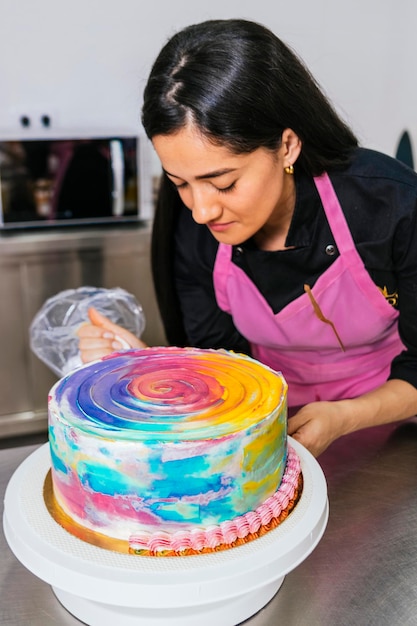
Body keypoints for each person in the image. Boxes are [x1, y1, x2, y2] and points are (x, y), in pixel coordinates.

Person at [78, 18, 417, 457]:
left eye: (223, 183)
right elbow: (220, 369)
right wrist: (154, 369)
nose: (201, 211)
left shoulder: (390, 206)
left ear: (288, 146)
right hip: (261, 425)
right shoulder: (191, 233)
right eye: (180, 183)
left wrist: (346, 415)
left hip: (391, 423)